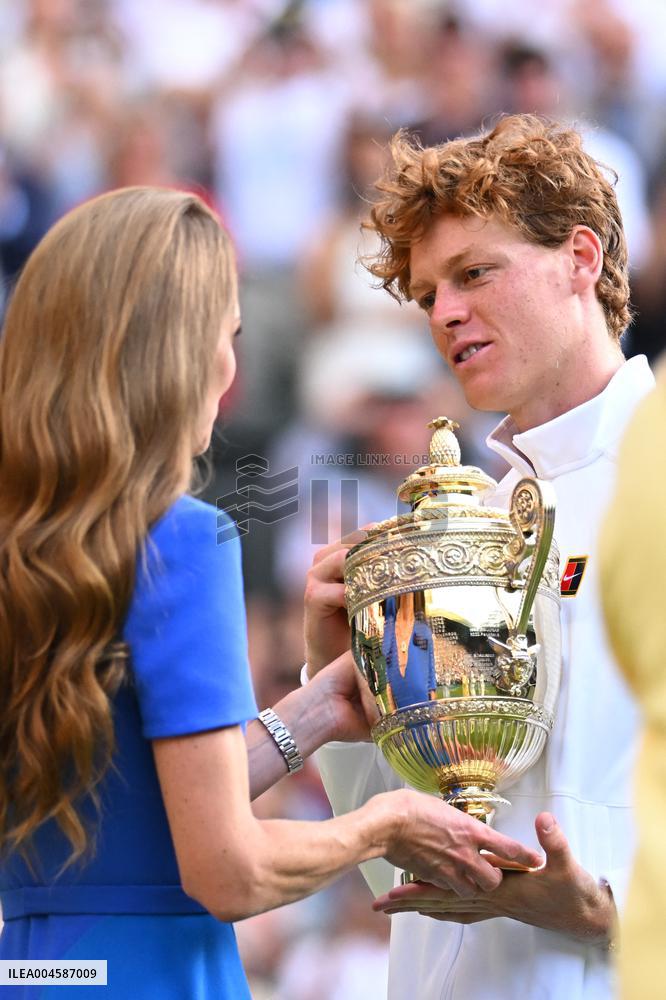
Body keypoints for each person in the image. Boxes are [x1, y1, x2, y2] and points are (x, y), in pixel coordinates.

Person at [0, 187, 540, 998]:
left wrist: (313, 713)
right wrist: (384, 824)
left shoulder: (29, 543)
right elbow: (228, 868)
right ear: (175, 354)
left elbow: (130, 807)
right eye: (228, 337)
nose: (232, 371)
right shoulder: (181, 541)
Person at [304, 114, 655, 999]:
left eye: (474, 273)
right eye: (428, 295)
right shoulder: (463, 526)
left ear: (581, 258)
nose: (445, 313)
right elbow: (400, 867)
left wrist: (611, 909)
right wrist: (343, 682)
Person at [600, 365, 666, 1000]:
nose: (448, 319)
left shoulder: (648, 439)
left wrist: (603, 907)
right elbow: (392, 887)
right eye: (427, 314)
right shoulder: (481, 506)